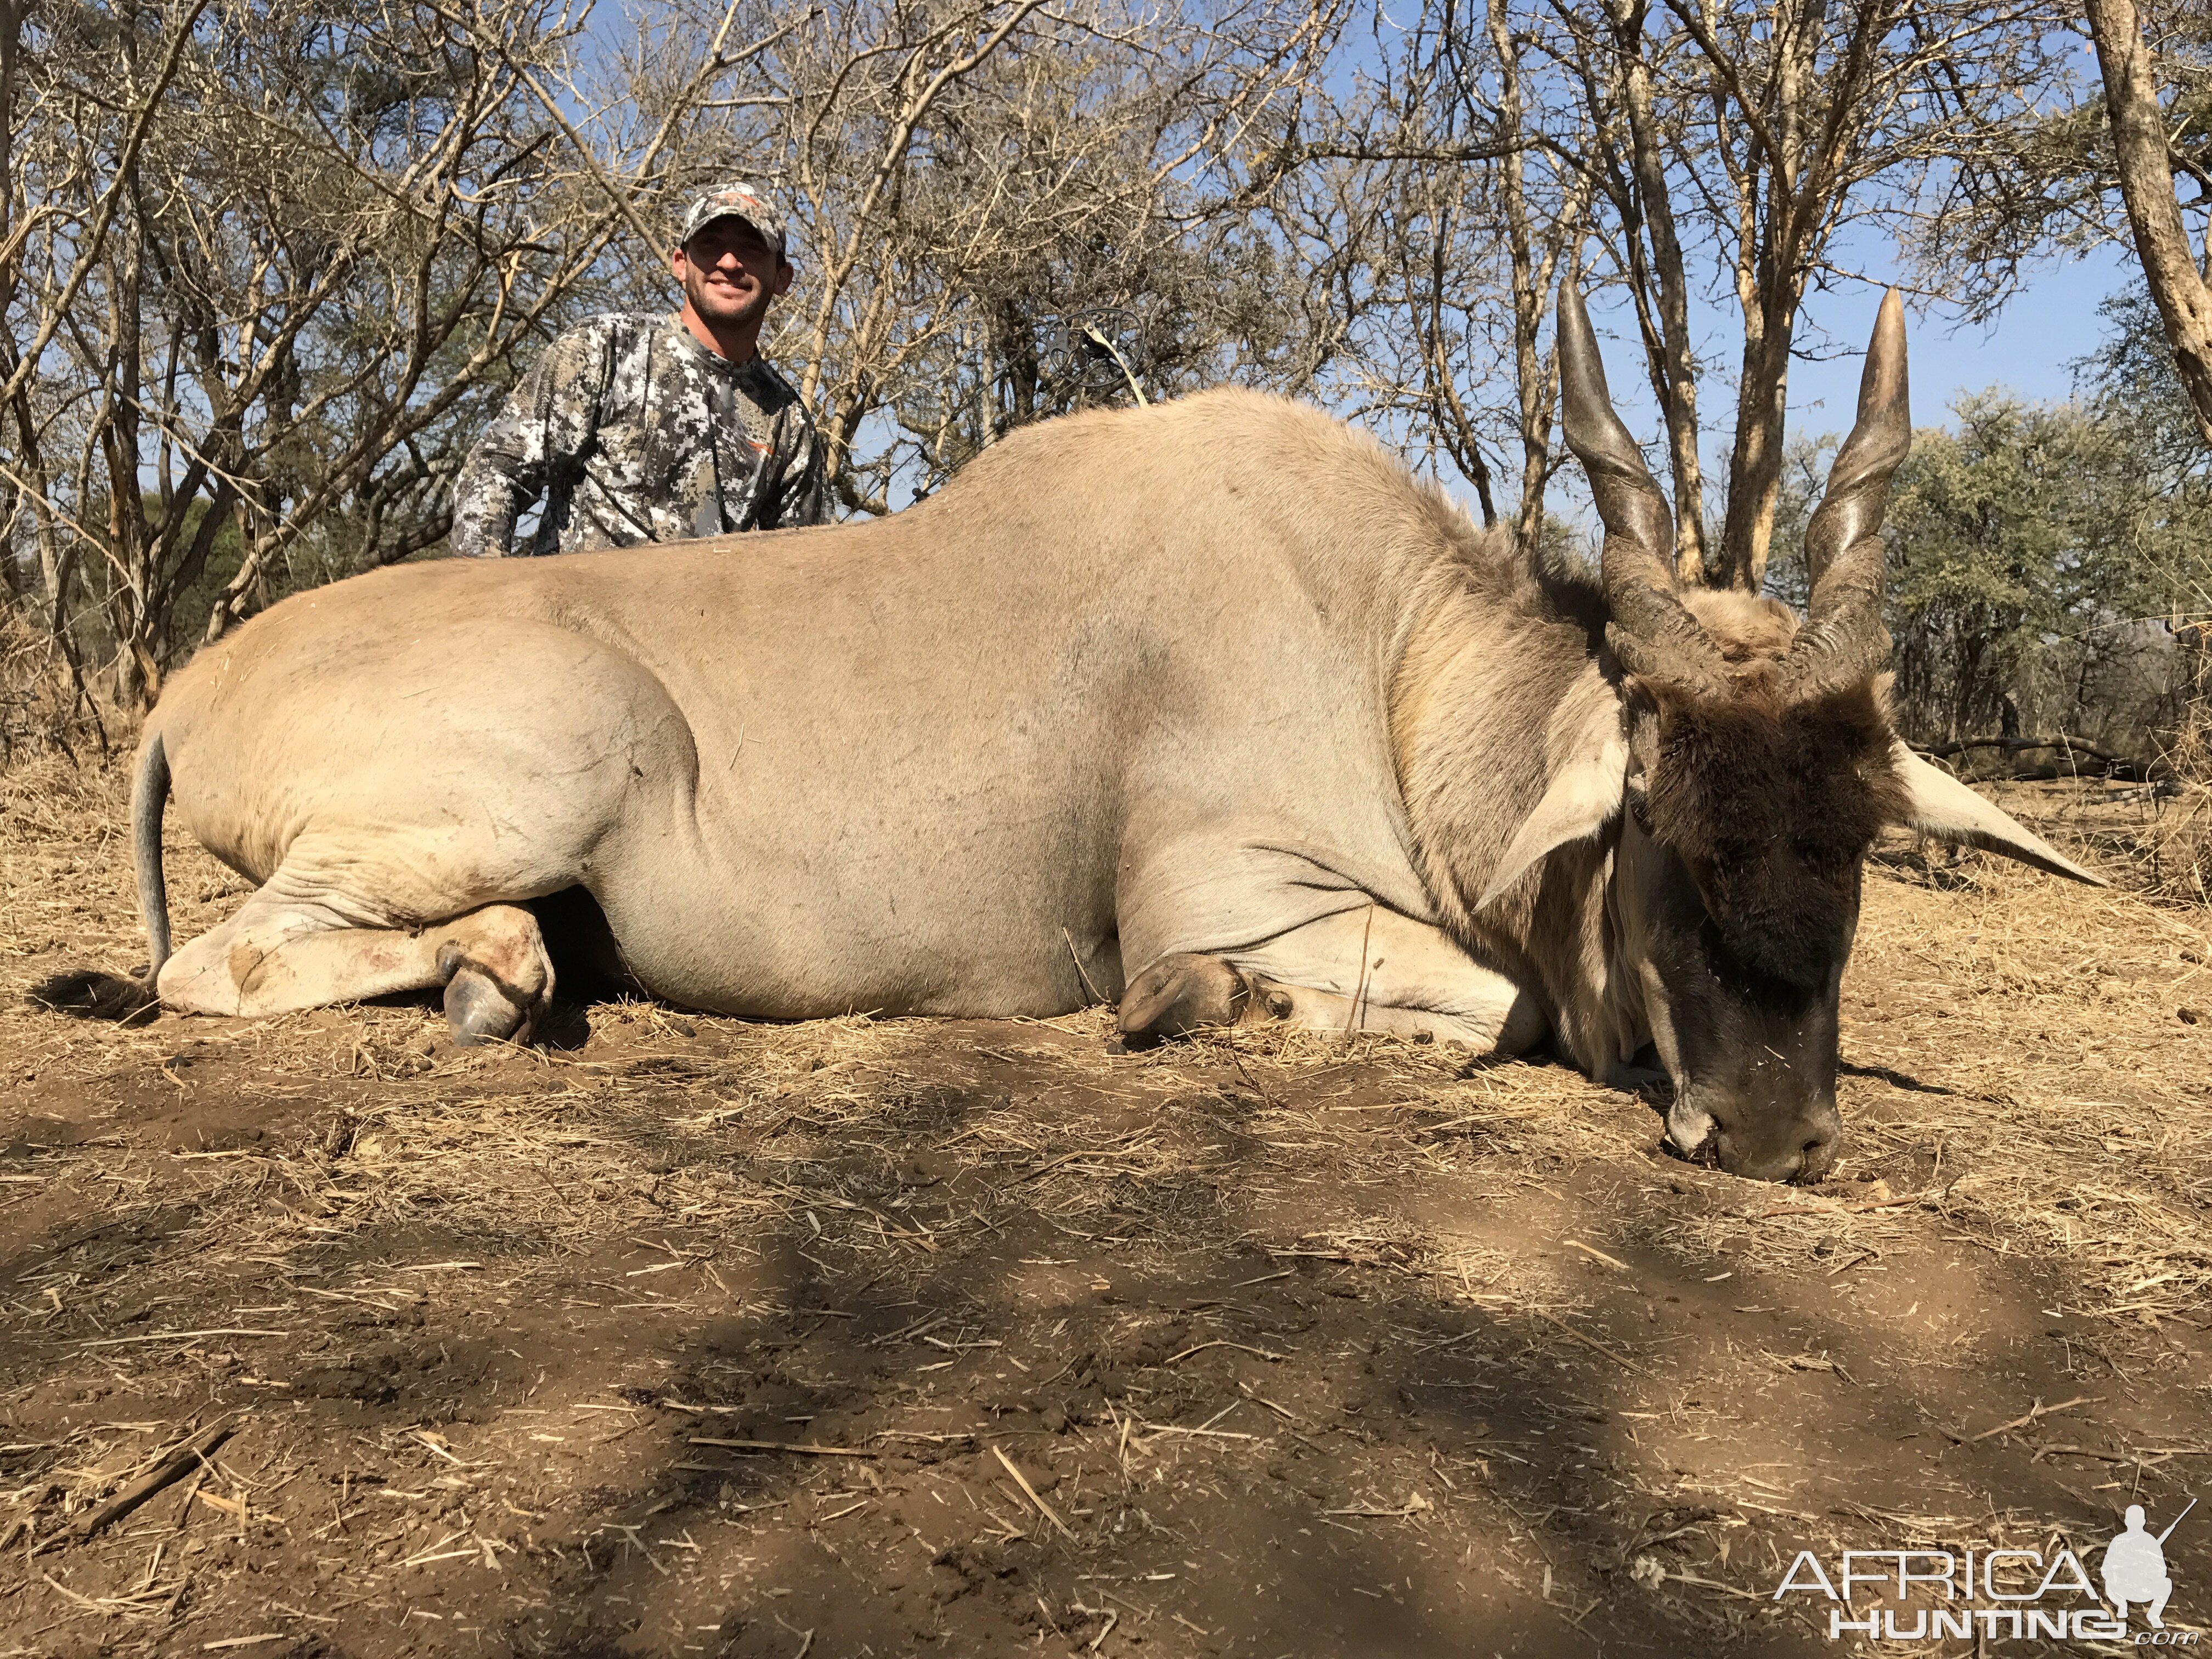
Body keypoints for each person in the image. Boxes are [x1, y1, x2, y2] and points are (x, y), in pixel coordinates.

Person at [452, 183, 827, 558]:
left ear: (782, 279)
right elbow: (495, 472)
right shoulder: (603, 349)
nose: (729, 263)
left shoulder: (790, 424)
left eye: (751, 248)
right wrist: (485, 596)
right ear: (680, 263)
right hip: (572, 613)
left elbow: (799, 568)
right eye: (711, 244)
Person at [2102, 1504, 2174, 1628]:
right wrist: (2121, 1571)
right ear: (2127, 1522)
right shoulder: (2119, 1542)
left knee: (2166, 1583)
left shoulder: (2150, 1542)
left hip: (2143, 1590)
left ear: (2143, 1522)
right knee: (2109, 1583)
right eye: (2133, 1521)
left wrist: (2146, 1572)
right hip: (2121, 1589)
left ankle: (2154, 1615)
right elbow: (2106, 1570)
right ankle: (2122, 1607)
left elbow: (2162, 1571)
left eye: (2137, 1521)